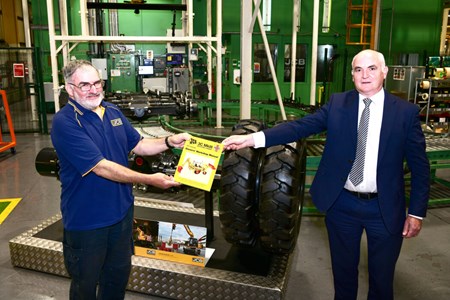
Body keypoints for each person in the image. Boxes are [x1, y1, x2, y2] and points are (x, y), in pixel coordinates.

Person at [222, 49, 430, 300]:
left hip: (384, 209)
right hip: (342, 205)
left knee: (382, 280)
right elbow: (299, 127)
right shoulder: (338, 104)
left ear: (384, 72)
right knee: (343, 278)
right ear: (352, 74)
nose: (365, 75)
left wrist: (416, 212)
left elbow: (420, 167)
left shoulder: (404, 113)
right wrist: (252, 139)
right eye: (358, 69)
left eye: (372, 68)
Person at [50, 60, 191, 300]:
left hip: (122, 214)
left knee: (116, 279)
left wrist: (169, 141)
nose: (93, 89)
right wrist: (150, 179)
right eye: (85, 85)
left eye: (97, 83)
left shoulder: (112, 111)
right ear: (70, 88)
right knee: (85, 284)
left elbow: (138, 144)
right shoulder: (65, 122)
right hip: (88, 221)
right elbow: (102, 167)